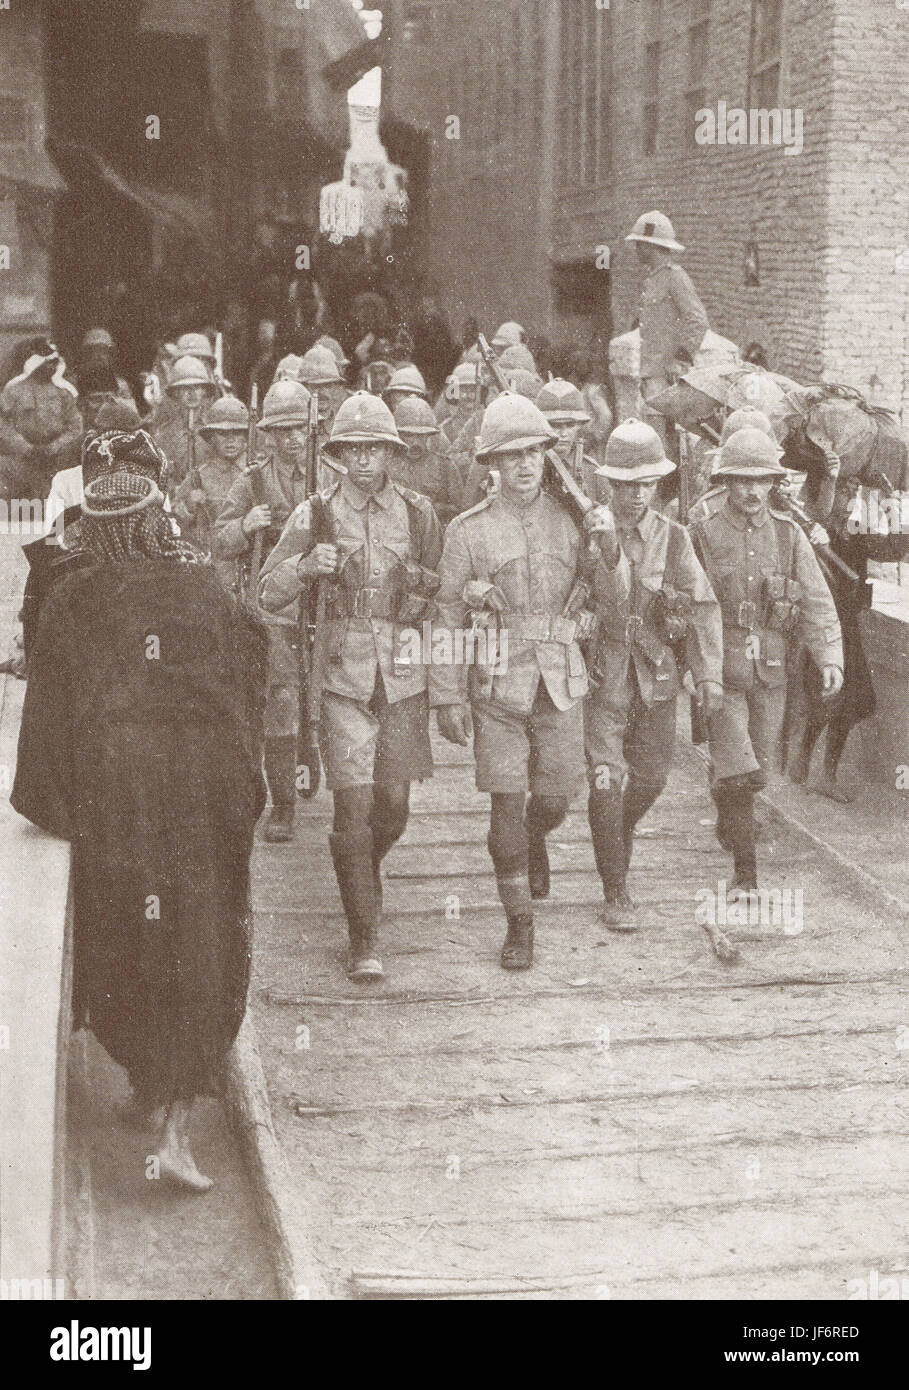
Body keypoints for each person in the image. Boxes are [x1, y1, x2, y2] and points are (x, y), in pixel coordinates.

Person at [11, 427, 267, 1192]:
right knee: (200, 943)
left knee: (128, 943)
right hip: (201, 802)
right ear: (161, 517)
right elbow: (252, 676)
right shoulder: (207, 588)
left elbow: (46, 727)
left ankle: (152, 1088)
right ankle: (174, 1119)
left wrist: (62, 808)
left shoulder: (72, 598)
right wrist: (240, 789)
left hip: (116, 808)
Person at [432, 393, 628, 971]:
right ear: (491, 464)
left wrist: (611, 546)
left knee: (557, 796)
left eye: (534, 453)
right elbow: (444, 612)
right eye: (511, 455)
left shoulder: (576, 518)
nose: (524, 465)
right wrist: (446, 694)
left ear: (548, 456)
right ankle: (520, 925)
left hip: (560, 682)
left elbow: (614, 600)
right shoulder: (468, 532)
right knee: (505, 804)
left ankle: (533, 838)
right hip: (496, 685)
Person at [258, 393, 442, 982]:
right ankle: (363, 935)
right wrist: (304, 567)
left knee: (393, 811)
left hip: (404, 679)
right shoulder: (312, 516)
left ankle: (363, 872)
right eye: (352, 449)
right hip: (340, 676)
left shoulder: (417, 513)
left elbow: (440, 589)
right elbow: (267, 593)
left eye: (374, 449)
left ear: (390, 452)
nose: (363, 460)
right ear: (337, 455)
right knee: (353, 810)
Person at [689, 429, 843, 938]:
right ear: (726, 481)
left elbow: (818, 600)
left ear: (773, 483)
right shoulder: (704, 529)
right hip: (721, 666)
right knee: (740, 771)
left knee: (760, 772)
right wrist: (691, 664)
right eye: (741, 481)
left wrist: (829, 656)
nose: (752, 492)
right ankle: (745, 877)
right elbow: (685, 596)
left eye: (761, 481)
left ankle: (727, 799)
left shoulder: (787, 532)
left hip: (772, 670)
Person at [585, 420, 723, 929]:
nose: (637, 493)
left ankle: (613, 839)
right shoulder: (590, 529)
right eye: (626, 483)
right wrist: (601, 547)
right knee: (605, 780)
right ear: (609, 484)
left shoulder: (675, 538)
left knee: (652, 780)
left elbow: (704, 606)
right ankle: (615, 890)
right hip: (602, 675)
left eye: (646, 483)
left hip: (657, 676)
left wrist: (708, 675)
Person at [214, 380, 314, 843]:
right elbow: (218, 541)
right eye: (283, 430)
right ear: (269, 434)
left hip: (324, 599)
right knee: (281, 701)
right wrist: (243, 525)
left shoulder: (330, 475)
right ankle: (284, 804)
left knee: (325, 699)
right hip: (273, 604)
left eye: (300, 428)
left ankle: (310, 757)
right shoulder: (251, 480)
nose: (293, 438)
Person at [625, 211, 709, 448]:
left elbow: (698, 320)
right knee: (658, 441)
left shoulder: (675, 277)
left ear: (652, 246)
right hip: (652, 374)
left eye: (640, 245)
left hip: (667, 376)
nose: (637, 250)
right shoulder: (652, 280)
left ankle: (667, 486)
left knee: (663, 443)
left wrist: (681, 358)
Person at [173, 395, 250, 585]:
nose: (230, 440)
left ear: (246, 437)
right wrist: (189, 506)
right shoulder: (199, 476)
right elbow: (175, 520)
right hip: (214, 564)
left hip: (250, 560)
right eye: (223, 434)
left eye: (237, 433)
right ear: (212, 438)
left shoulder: (259, 473)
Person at [0, 340, 82, 502]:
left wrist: (54, 447)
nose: (52, 367)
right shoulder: (13, 392)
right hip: (21, 458)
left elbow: (75, 427)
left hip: (56, 459)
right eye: (47, 363)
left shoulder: (64, 392)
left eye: (54, 364)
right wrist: (26, 448)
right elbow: (4, 425)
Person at [390, 396, 464, 527]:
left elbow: (459, 511)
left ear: (429, 436)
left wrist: (431, 507)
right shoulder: (386, 466)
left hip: (433, 533)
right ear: (398, 435)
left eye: (421, 436)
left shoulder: (445, 467)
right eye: (409, 435)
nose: (415, 442)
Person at [150, 355, 217, 491]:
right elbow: (159, 479)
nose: (192, 393)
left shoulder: (215, 430)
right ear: (175, 393)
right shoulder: (163, 435)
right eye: (185, 387)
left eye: (197, 386)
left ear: (204, 391)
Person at [535, 378, 601, 501]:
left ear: (579, 426)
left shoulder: (592, 471)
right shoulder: (529, 466)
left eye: (570, 425)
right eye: (555, 425)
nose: (563, 433)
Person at [73, 328, 138, 412]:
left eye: (103, 351)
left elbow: (128, 412)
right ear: (86, 355)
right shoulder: (72, 384)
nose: (99, 356)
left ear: (109, 354)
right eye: (94, 351)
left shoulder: (121, 385)